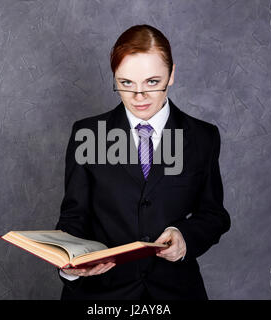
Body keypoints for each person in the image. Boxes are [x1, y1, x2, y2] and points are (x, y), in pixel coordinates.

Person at [55, 24, 230, 300]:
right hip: (101, 295)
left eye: (151, 82)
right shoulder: (86, 135)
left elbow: (214, 215)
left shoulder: (202, 137)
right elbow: (74, 218)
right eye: (126, 83)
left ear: (171, 74)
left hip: (175, 293)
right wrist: (71, 266)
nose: (139, 97)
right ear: (115, 77)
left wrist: (183, 237)